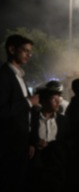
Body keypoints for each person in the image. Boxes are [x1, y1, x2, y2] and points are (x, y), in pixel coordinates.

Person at [0, 34, 39, 192]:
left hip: (21, 144)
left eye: (30, 52)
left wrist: (31, 141)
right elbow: (2, 111)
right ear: (11, 49)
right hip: (9, 146)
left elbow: (24, 114)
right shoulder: (3, 76)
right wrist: (29, 102)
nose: (29, 55)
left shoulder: (20, 76)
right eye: (25, 51)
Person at [29, 87, 70, 192]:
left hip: (56, 166)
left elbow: (67, 141)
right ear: (43, 101)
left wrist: (50, 145)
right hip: (36, 166)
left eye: (59, 100)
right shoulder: (32, 118)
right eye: (53, 100)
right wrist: (33, 144)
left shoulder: (63, 120)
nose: (57, 103)